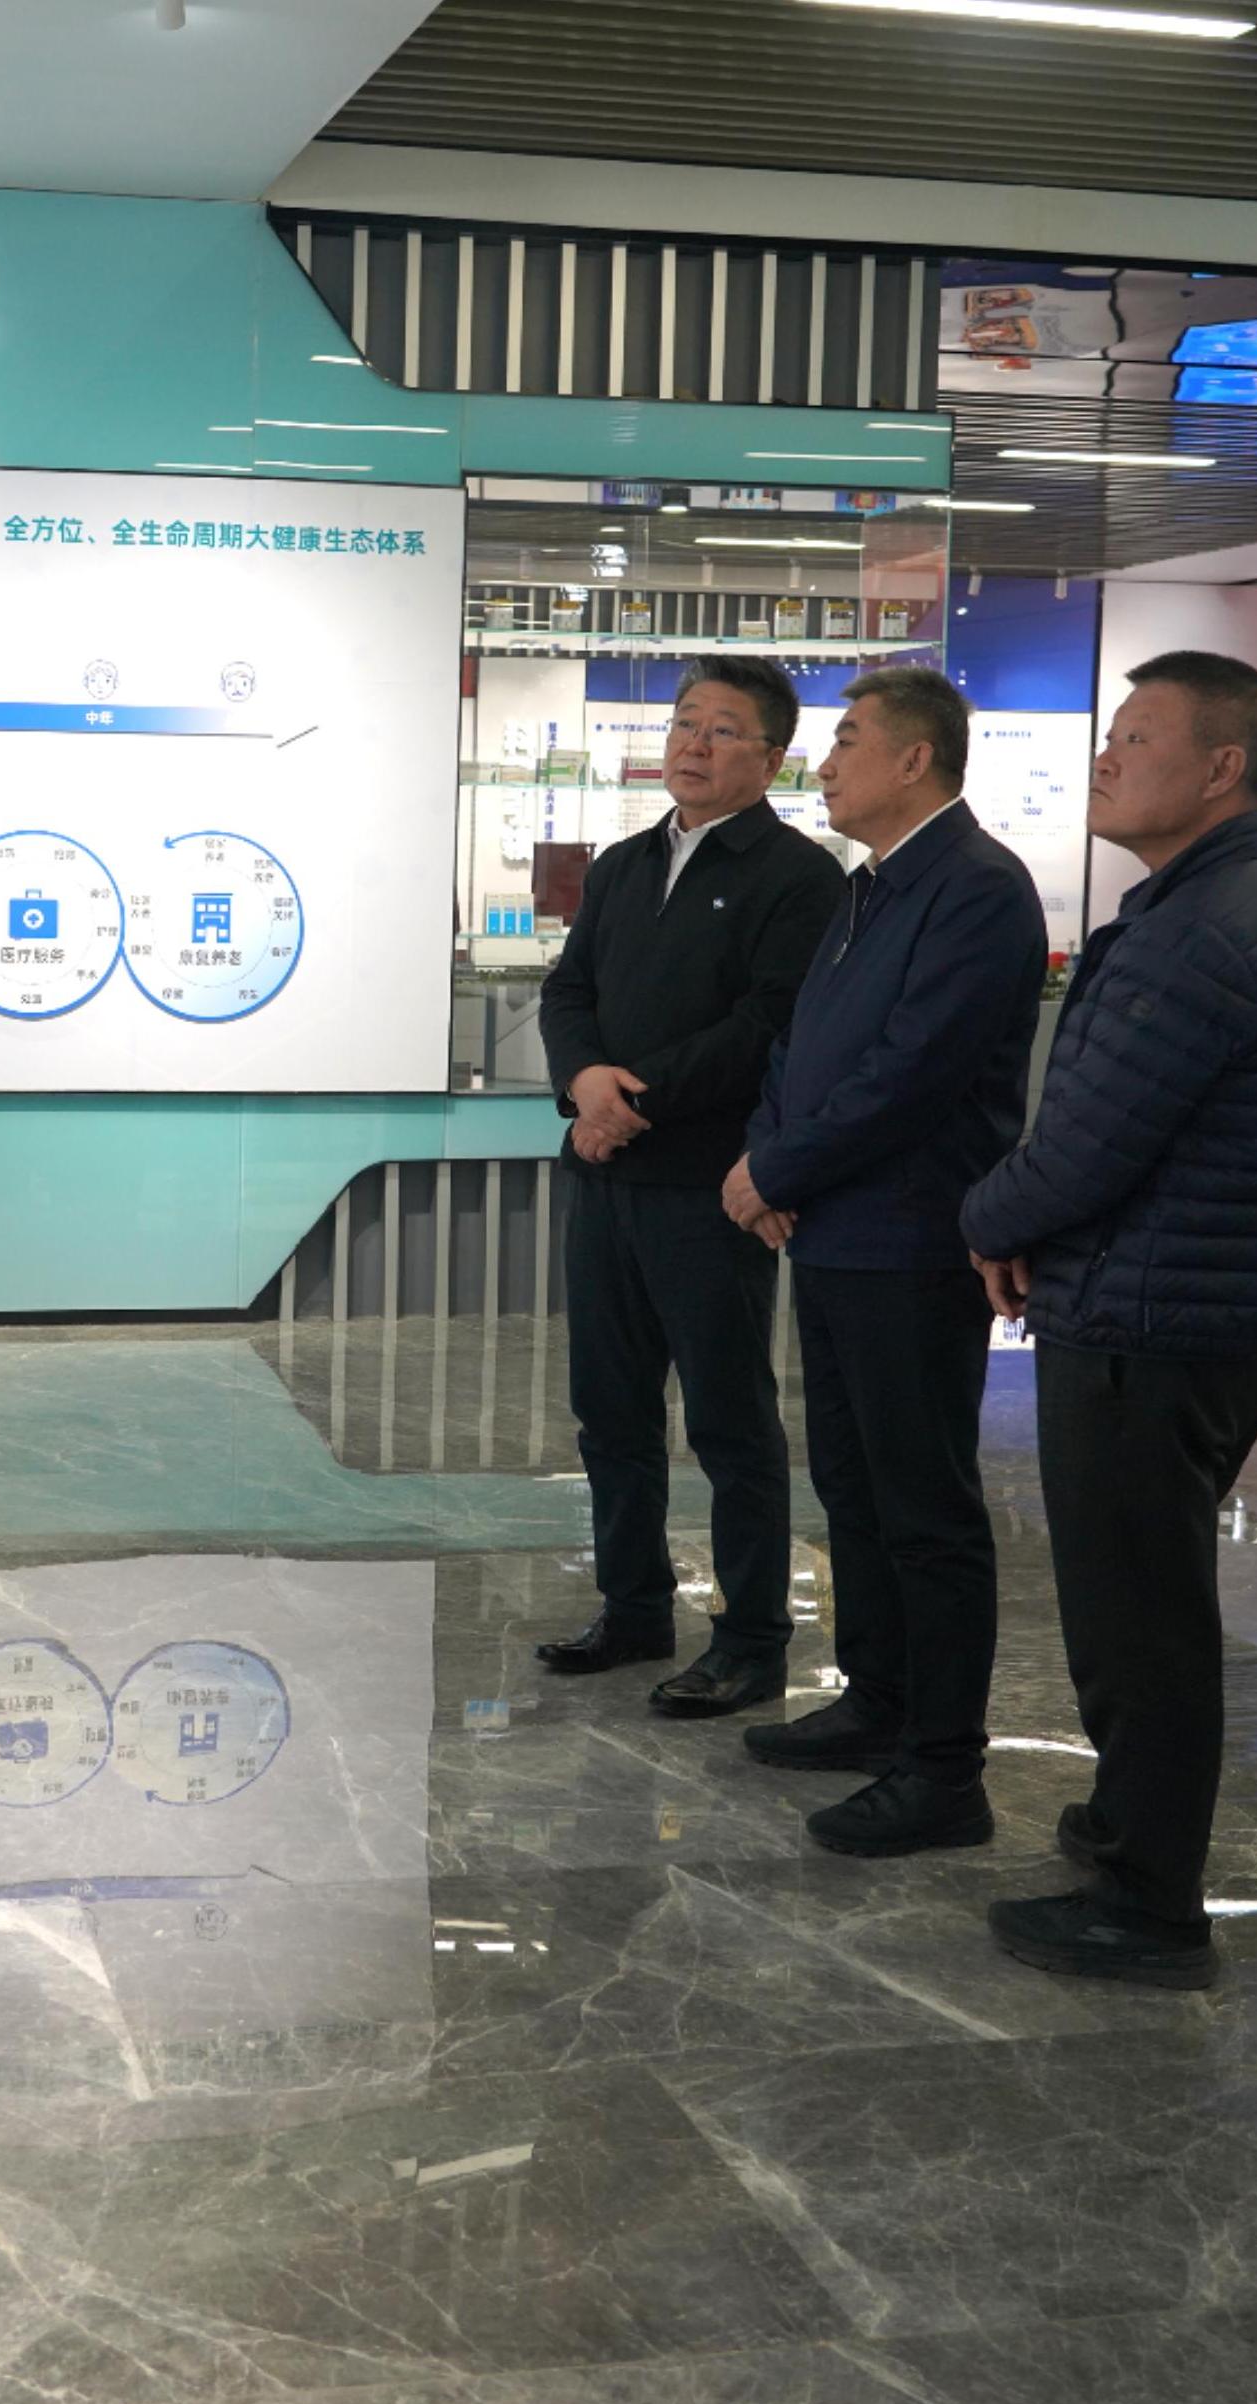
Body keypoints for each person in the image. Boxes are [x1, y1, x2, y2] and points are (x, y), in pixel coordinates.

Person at [959, 650, 1257, 1989]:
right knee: (1136, 1599)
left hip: (1162, 1314)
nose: (1107, 757)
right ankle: (1125, 1828)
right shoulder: (1213, 903)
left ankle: (1149, 1901)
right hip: (1174, 1295)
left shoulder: (1206, 930)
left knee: (1139, 1616)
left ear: (1221, 769)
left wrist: (988, 1220)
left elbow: (1088, 1141)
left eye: (1137, 737)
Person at [720, 665, 1046, 1852]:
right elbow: (800, 1047)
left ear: (916, 759)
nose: (826, 763)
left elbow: (911, 1073)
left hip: (910, 1239)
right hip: (833, 1232)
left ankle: (945, 1768)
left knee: (924, 1506)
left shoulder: (978, 889)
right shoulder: (870, 886)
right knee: (853, 1486)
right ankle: (878, 1699)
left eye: (849, 740)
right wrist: (771, 1158)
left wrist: (778, 1170)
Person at [533, 657, 844, 1716]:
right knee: (609, 1412)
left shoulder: (797, 877)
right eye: (683, 723)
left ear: (773, 757)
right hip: (606, 1177)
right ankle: (632, 1609)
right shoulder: (624, 864)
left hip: (708, 1189)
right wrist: (584, 1083)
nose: (693, 745)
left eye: (721, 729)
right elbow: (569, 990)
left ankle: (752, 1639)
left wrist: (635, 1100)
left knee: (727, 1420)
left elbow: (769, 1024)